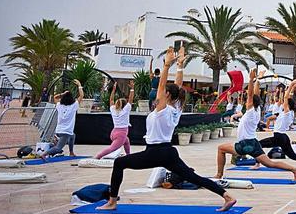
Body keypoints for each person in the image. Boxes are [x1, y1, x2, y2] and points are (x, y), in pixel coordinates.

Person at [98, 47, 236, 212]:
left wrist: (166, 66)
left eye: (162, 93)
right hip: (169, 152)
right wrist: (179, 66)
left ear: (167, 95)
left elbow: (164, 85)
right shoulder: (176, 107)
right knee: (193, 177)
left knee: (119, 163)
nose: (159, 93)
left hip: (155, 152)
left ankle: (112, 202)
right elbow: (177, 85)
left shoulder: (163, 109)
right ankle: (227, 196)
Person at [216, 68, 296, 180]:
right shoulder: (257, 109)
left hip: (246, 144)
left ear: (250, 102)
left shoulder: (251, 111)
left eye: (247, 100)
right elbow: (255, 94)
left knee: (221, 149)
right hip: (253, 142)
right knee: (270, 163)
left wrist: (251, 79)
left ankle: (219, 175)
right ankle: (295, 170)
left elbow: (251, 94)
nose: (247, 101)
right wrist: (258, 79)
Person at [258, 80, 296, 168]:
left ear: (288, 105)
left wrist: (291, 85)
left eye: (285, 103)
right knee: (293, 156)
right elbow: (285, 98)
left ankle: (257, 163)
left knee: (259, 144)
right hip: (284, 137)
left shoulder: (287, 112)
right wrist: (289, 89)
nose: (283, 103)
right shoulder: (288, 113)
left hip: (278, 137)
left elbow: (285, 98)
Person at [39, 79, 83, 160]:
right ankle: (44, 154)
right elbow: (81, 96)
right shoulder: (73, 106)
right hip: (65, 131)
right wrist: (79, 85)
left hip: (59, 130)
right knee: (58, 148)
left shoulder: (59, 105)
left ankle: (71, 152)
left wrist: (63, 94)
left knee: (73, 135)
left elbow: (55, 97)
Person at [95, 81, 134, 159]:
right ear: (124, 105)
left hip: (114, 132)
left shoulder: (113, 109)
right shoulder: (125, 110)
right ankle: (98, 156)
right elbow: (131, 99)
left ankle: (128, 155)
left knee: (126, 141)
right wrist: (132, 88)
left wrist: (113, 90)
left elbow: (111, 100)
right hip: (121, 134)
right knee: (112, 149)